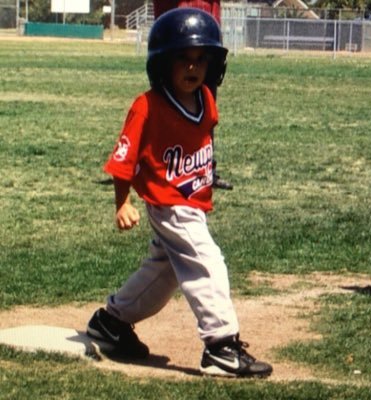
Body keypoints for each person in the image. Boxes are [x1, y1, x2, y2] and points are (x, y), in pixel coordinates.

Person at [86, 8, 272, 378]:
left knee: (163, 274)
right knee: (207, 262)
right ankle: (221, 345)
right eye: (183, 59)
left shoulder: (206, 100)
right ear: (162, 64)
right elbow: (123, 160)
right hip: (168, 204)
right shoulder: (147, 106)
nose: (193, 67)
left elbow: (200, 142)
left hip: (191, 203)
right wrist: (122, 202)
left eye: (201, 59)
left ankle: (111, 321)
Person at [152, 0, 233, 191]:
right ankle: (166, 165)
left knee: (206, 108)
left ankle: (205, 168)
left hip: (208, 38)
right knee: (169, 109)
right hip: (177, 37)